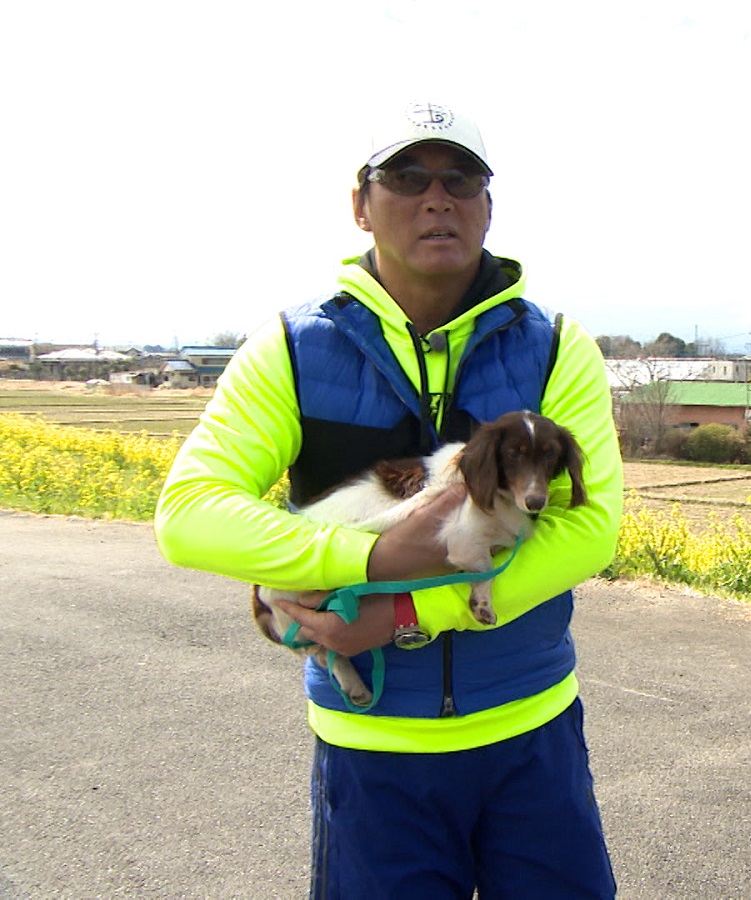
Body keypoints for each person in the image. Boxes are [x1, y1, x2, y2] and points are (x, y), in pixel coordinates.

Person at [155, 101, 622, 898]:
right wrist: (368, 555)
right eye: (406, 177)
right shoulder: (294, 348)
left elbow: (591, 530)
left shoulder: (556, 346)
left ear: (488, 204)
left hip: (532, 729)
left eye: (460, 178)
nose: (436, 198)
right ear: (360, 205)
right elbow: (189, 514)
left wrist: (407, 613)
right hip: (374, 750)